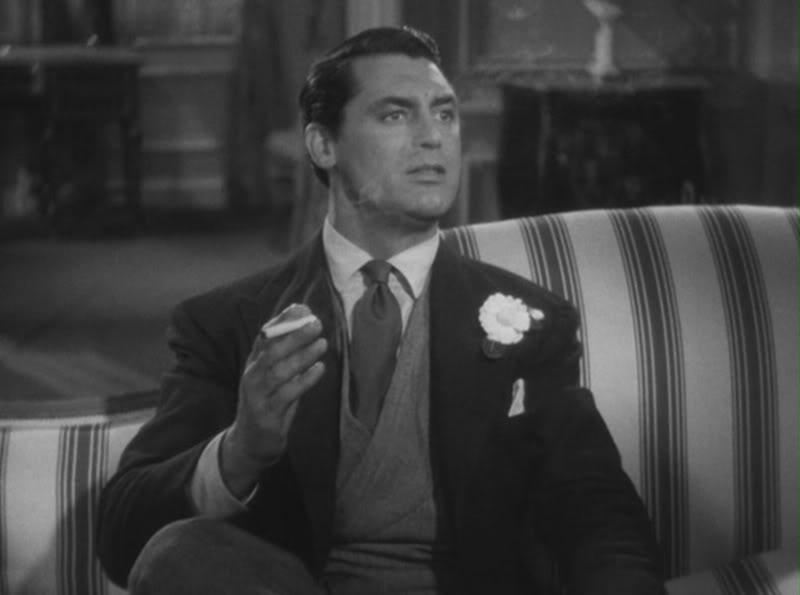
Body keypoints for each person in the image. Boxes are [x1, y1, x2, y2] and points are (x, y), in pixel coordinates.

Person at [97, 26, 664, 594]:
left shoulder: (535, 324)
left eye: (445, 114)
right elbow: (124, 535)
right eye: (396, 115)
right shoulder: (229, 323)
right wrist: (240, 451)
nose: (433, 137)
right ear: (324, 146)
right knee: (180, 554)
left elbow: (596, 509)